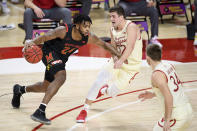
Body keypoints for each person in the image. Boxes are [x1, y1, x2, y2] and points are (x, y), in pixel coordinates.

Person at [11, 14, 121, 125]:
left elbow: (104, 45)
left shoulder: (88, 37)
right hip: (48, 52)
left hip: (60, 58)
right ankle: (40, 111)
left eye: (89, 26)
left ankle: (20, 89)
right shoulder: (63, 30)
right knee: (61, 76)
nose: (87, 29)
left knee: (45, 87)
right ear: (77, 26)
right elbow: (46, 36)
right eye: (85, 26)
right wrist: (32, 42)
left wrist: (120, 56)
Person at [76, 6, 142, 123]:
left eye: (113, 16)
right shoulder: (112, 28)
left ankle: (104, 90)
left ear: (121, 17)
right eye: (110, 16)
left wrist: (121, 61)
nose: (111, 18)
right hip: (117, 61)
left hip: (131, 67)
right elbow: (113, 47)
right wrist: (116, 58)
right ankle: (84, 110)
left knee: (113, 92)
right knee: (99, 80)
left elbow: (130, 47)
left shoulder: (131, 27)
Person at [138, 44, 193, 130]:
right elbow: (173, 89)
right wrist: (153, 94)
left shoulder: (156, 74)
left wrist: (167, 120)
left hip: (176, 116)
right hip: (188, 111)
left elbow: (169, 96)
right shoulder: (168, 65)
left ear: (147, 58)